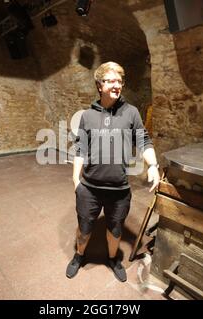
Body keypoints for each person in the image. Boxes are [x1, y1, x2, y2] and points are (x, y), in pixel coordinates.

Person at [66, 61, 160, 282]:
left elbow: (143, 141)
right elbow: (80, 148)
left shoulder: (131, 113)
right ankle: (79, 256)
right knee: (85, 227)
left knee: (115, 228)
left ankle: (112, 259)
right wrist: (75, 179)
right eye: (111, 81)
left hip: (119, 189)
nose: (117, 85)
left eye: (120, 81)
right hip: (89, 188)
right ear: (100, 85)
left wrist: (153, 165)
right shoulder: (87, 116)